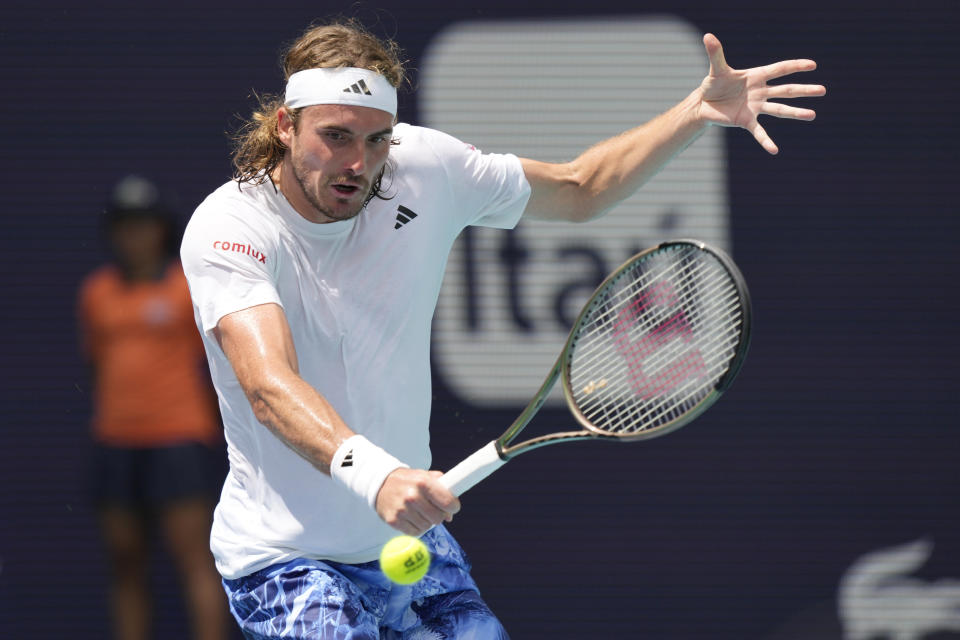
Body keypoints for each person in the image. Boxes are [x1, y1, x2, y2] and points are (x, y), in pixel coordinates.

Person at [179, 19, 824, 639]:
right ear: (286, 127)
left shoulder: (424, 169)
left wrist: (694, 112)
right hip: (288, 560)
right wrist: (376, 475)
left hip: (406, 540)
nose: (358, 162)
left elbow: (580, 187)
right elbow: (268, 386)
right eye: (336, 136)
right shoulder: (230, 229)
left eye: (378, 139)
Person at [78, 175, 230, 640]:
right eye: (125, 225)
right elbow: (96, 365)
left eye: (143, 224)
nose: (135, 235)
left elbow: (217, 369)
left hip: (178, 438)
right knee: (124, 561)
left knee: (193, 558)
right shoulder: (97, 292)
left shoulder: (188, 289)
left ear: (161, 229)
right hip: (115, 440)